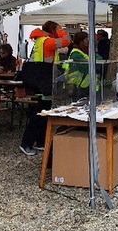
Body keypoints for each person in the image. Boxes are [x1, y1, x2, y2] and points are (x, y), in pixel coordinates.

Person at [20, 20, 70, 156]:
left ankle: (40, 141)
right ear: (53, 30)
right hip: (44, 81)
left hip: (41, 81)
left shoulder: (40, 41)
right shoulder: (47, 41)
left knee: (44, 112)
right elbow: (66, 41)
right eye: (57, 29)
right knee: (39, 114)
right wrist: (60, 30)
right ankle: (26, 143)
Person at [63, 31, 102, 100]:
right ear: (81, 41)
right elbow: (86, 68)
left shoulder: (83, 52)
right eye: (86, 39)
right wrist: (94, 55)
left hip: (85, 85)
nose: (88, 41)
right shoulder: (76, 54)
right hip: (80, 86)